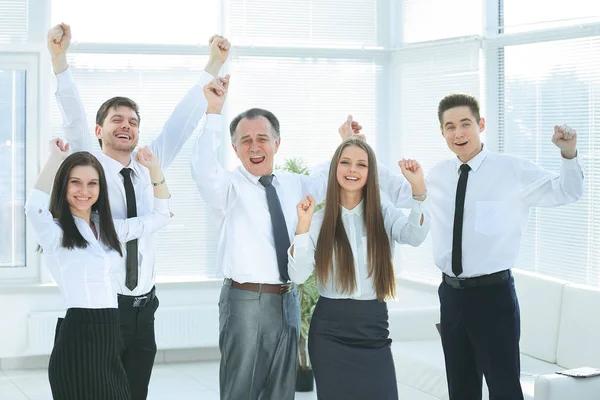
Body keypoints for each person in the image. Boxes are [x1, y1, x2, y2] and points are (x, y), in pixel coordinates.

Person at [46, 23, 230, 399]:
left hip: (143, 308)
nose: (126, 126)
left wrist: (212, 65)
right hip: (104, 308)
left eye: (132, 121)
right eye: (116, 120)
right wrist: (59, 59)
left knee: (134, 393)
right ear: (100, 131)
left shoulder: (150, 163)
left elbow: (182, 121)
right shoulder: (90, 164)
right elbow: (73, 115)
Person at [381, 93, 585, 399]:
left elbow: (567, 191)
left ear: (481, 124)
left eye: (465, 124)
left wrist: (568, 153)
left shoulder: (511, 170)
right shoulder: (436, 175)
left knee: (504, 387)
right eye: (450, 126)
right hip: (450, 295)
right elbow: (400, 193)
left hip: (494, 297)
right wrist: (359, 146)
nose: (458, 133)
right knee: (460, 388)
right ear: (442, 133)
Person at [25, 139, 172, 400]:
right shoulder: (55, 231)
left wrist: (154, 169)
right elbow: (32, 209)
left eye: (92, 183)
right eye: (75, 182)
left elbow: (161, 216)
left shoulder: (107, 230)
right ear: (63, 186)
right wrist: (55, 158)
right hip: (79, 335)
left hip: (111, 333)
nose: (84, 190)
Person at [287, 137, 430, 400]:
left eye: (361, 164)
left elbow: (415, 235)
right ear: (335, 169)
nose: (353, 170)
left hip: (373, 325)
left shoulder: (383, 212)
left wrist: (418, 191)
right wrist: (302, 227)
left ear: (370, 172)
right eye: (345, 163)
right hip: (329, 329)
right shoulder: (317, 221)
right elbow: (297, 274)